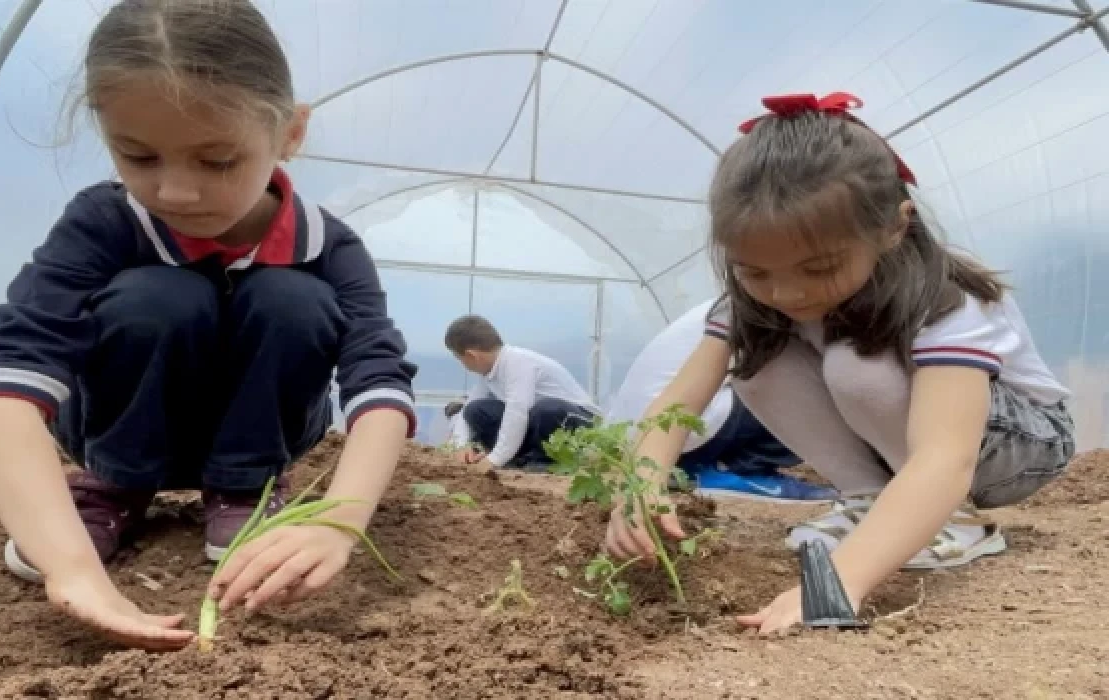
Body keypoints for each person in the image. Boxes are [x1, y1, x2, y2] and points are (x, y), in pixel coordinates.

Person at [0, 0, 417, 651]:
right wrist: (72, 568)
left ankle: (245, 489)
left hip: (266, 435)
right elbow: (6, 377)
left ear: (290, 132)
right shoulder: (102, 223)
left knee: (295, 300)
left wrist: (337, 524)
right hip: (112, 429)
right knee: (157, 297)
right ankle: (115, 483)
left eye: (218, 161)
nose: (175, 192)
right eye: (139, 157)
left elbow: (378, 382)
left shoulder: (328, 245)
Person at [605, 92, 1074, 635]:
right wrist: (638, 490)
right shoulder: (752, 303)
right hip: (920, 446)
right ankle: (871, 502)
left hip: (1016, 447)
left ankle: (948, 523)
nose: (785, 291)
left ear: (895, 227)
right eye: (754, 272)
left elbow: (947, 458)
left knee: (858, 363)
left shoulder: (943, 298)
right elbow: (675, 405)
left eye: (819, 267)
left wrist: (838, 581)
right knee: (757, 361)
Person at [605, 298, 836, 503]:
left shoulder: (717, 308)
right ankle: (738, 468)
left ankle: (693, 465)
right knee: (805, 396)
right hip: (674, 433)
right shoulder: (754, 309)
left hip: (640, 438)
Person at [444, 314, 600, 470]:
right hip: (540, 427)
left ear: (472, 356)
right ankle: (522, 459)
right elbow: (467, 410)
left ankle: (544, 463)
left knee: (545, 409)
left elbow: (517, 412)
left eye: (460, 359)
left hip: (580, 422)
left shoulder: (517, 363)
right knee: (475, 410)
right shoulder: (489, 374)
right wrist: (461, 446)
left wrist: (495, 459)